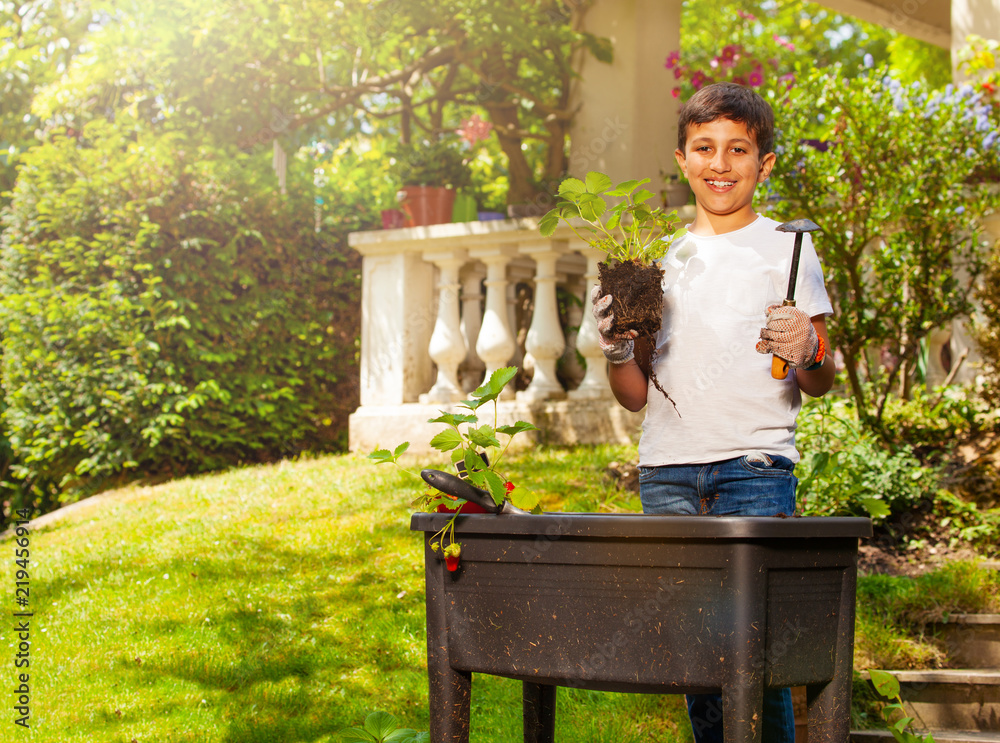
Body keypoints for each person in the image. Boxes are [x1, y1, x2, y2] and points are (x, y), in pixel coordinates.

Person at [592, 82, 835, 743]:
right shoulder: (659, 258)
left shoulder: (787, 249)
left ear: (765, 164)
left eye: (738, 149)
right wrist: (616, 349)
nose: (720, 163)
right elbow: (636, 391)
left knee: (752, 653)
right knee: (699, 656)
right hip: (667, 472)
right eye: (705, 148)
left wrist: (807, 344)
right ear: (681, 158)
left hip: (755, 467)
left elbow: (821, 376)